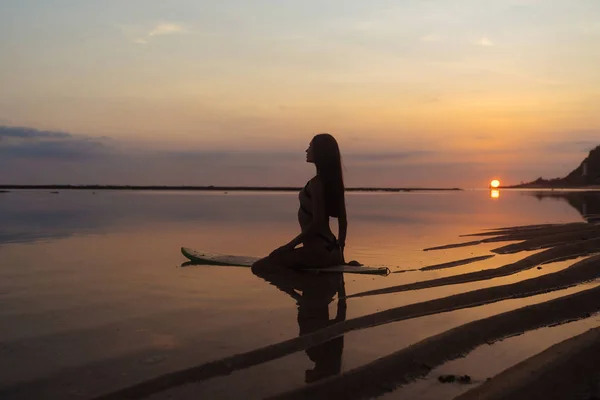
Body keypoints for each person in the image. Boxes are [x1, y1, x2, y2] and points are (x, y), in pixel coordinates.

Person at [253, 133, 347, 270]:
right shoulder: (333, 183)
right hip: (333, 251)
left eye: (310, 147)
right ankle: (303, 287)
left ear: (320, 152)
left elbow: (317, 222)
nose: (307, 151)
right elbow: (343, 222)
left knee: (258, 268)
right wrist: (340, 254)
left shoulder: (317, 183)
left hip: (318, 252)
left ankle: (293, 288)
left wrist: (289, 246)